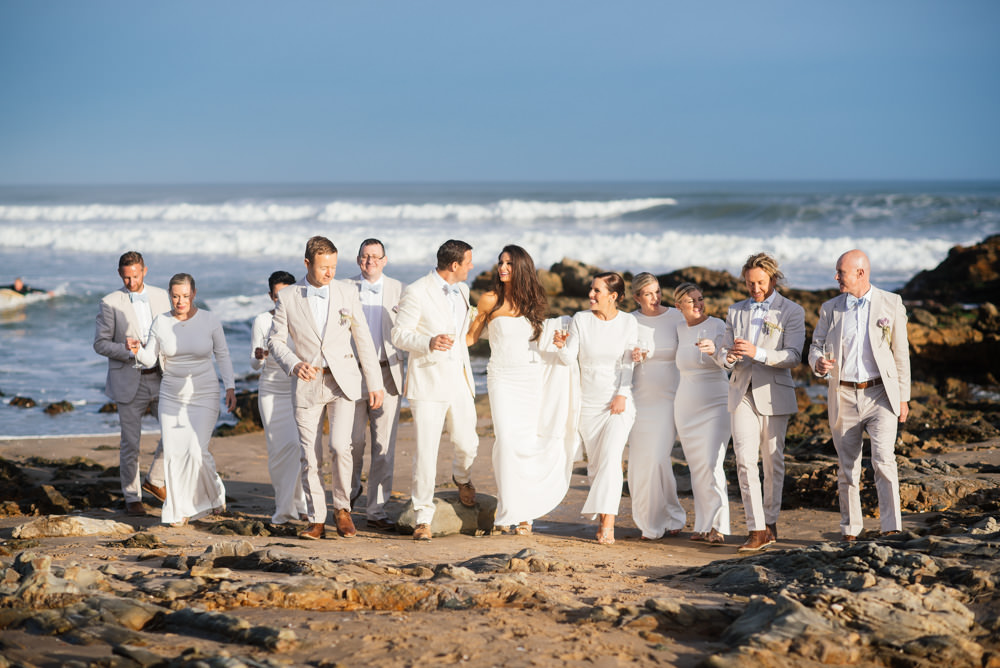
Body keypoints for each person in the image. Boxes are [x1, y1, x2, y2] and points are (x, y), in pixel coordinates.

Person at [268, 236, 385, 541]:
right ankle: (317, 518)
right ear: (307, 264)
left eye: (333, 266)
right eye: (323, 267)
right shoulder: (289, 297)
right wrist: (294, 363)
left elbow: (363, 340)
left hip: (343, 381)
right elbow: (275, 342)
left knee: (339, 447)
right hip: (307, 383)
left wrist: (375, 383)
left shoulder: (347, 291)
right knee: (310, 455)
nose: (329, 272)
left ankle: (342, 509)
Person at [467, 245, 576, 536]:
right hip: (501, 377)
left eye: (509, 264)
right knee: (506, 441)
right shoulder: (489, 299)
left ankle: (525, 512)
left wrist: (562, 342)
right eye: (501, 262)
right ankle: (507, 509)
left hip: (530, 377)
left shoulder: (533, 302)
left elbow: (540, 342)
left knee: (525, 442)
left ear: (521, 268)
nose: (502, 268)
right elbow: (470, 339)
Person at [809, 249, 910, 540]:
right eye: (837, 272)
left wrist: (904, 397)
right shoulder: (830, 308)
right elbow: (815, 345)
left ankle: (891, 528)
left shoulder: (891, 303)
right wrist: (817, 362)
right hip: (843, 395)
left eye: (841, 272)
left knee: (883, 460)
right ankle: (851, 529)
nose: (836, 277)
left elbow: (900, 355)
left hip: (881, 394)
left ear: (860, 273)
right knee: (847, 467)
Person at [130, 273, 236, 527]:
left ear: (194, 294)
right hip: (171, 394)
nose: (180, 301)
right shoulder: (161, 322)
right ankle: (179, 510)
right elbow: (150, 359)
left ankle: (214, 494)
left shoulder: (209, 320)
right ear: (170, 295)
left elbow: (223, 355)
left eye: (185, 296)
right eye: (175, 296)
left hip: (205, 391)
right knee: (175, 454)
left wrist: (230, 387)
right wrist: (136, 350)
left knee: (196, 451)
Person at [391, 239, 479, 542]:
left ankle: (461, 477)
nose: (471, 267)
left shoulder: (464, 291)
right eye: (468, 262)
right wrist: (428, 342)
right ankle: (423, 517)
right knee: (425, 453)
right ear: (455, 265)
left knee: (468, 442)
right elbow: (399, 334)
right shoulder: (416, 291)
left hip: (460, 380)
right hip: (428, 381)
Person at [717, 253, 805, 552]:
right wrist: (727, 357)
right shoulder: (735, 311)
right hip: (741, 390)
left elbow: (793, 356)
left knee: (773, 461)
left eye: (760, 283)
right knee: (744, 461)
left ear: (773, 279)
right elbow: (724, 353)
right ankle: (756, 529)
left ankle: (770, 520)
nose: (755, 289)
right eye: (750, 283)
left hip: (774, 391)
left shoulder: (791, 311)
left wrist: (758, 352)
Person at [555, 272, 637, 545]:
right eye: (591, 289)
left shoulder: (628, 322)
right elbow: (569, 357)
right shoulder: (580, 319)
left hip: (618, 401)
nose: (591, 295)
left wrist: (623, 394)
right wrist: (559, 346)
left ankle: (608, 524)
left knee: (612, 459)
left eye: (597, 291)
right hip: (587, 401)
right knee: (596, 465)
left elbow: (629, 362)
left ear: (613, 296)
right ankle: (603, 515)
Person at [93, 251, 168, 517]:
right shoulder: (109, 302)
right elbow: (100, 344)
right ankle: (132, 497)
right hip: (128, 379)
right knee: (130, 444)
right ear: (119, 274)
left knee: (174, 433)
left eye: (135, 276)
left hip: (162, 377)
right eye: (126, 278)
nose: (131, 282)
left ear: (144, 271)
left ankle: (155, 480)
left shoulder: (162, 295)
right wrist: (128, 351)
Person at [344, 239, 405, 531]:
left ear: (384, 260)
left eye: (375, 257)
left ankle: (376, 510)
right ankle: (350, 493)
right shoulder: (343, 288)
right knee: (351, 443)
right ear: (358, 260)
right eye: (365, 256)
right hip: (352, 376)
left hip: (387, 374)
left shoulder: (400, 291)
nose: (370, 261)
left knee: (384, 447)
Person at [627, 273, 687, 540]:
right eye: (649, 294)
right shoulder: (629, 321)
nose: (656, 297)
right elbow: (621, 356)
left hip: (669, 397)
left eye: (658, 291)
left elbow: (690, 348)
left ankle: (657, 521)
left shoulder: (675, 317)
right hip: (638, 397)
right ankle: (664, 516)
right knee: (643, 460)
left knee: (658, 457)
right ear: (637, 297)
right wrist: (633, 356)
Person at [673, 282, 731, 545]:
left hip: (716, 401)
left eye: (700, 298)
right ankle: (703, 524)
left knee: (713, 462)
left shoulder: (718, 325)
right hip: (686, 404)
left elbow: (729, 362)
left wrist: (716, 351)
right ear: (679, 306)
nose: (698, 304)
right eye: (691, 301)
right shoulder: (678, 329)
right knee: (697, 467)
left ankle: (719, 526)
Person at [250, 270, 308, 525]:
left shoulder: (303, 319)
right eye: (276, 296)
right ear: (270, 296)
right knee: (277, 452)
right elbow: (253, 364)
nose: (280, 300)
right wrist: (260, 356)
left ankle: (299, 504)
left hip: (298, 389)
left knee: (298, 447)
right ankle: (284, 506)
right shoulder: (262, 320)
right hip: (271, 391)